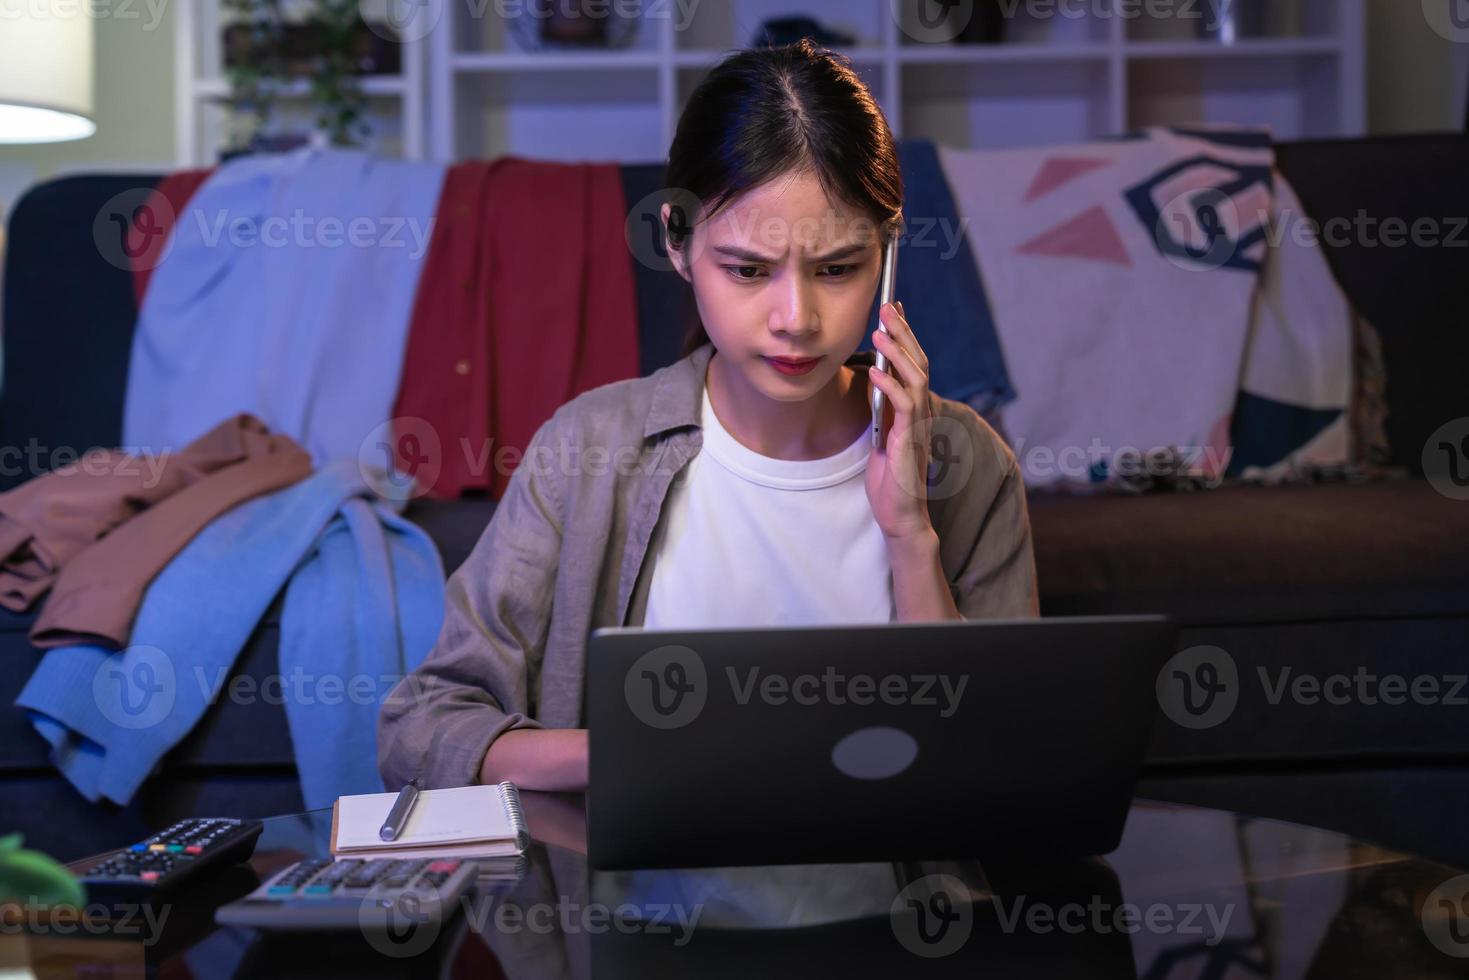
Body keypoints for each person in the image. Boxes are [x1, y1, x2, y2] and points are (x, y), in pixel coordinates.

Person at [377, 38, 1038, 794]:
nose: (797, 318)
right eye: (748, 270)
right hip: (642, 910)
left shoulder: (969, 464)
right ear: (677, 242)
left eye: (837, 269)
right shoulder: (588, 448)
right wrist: (624, 756)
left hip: (899, 909)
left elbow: (1003, 768)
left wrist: (909, 534)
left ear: (887, 253)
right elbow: (421, 727)